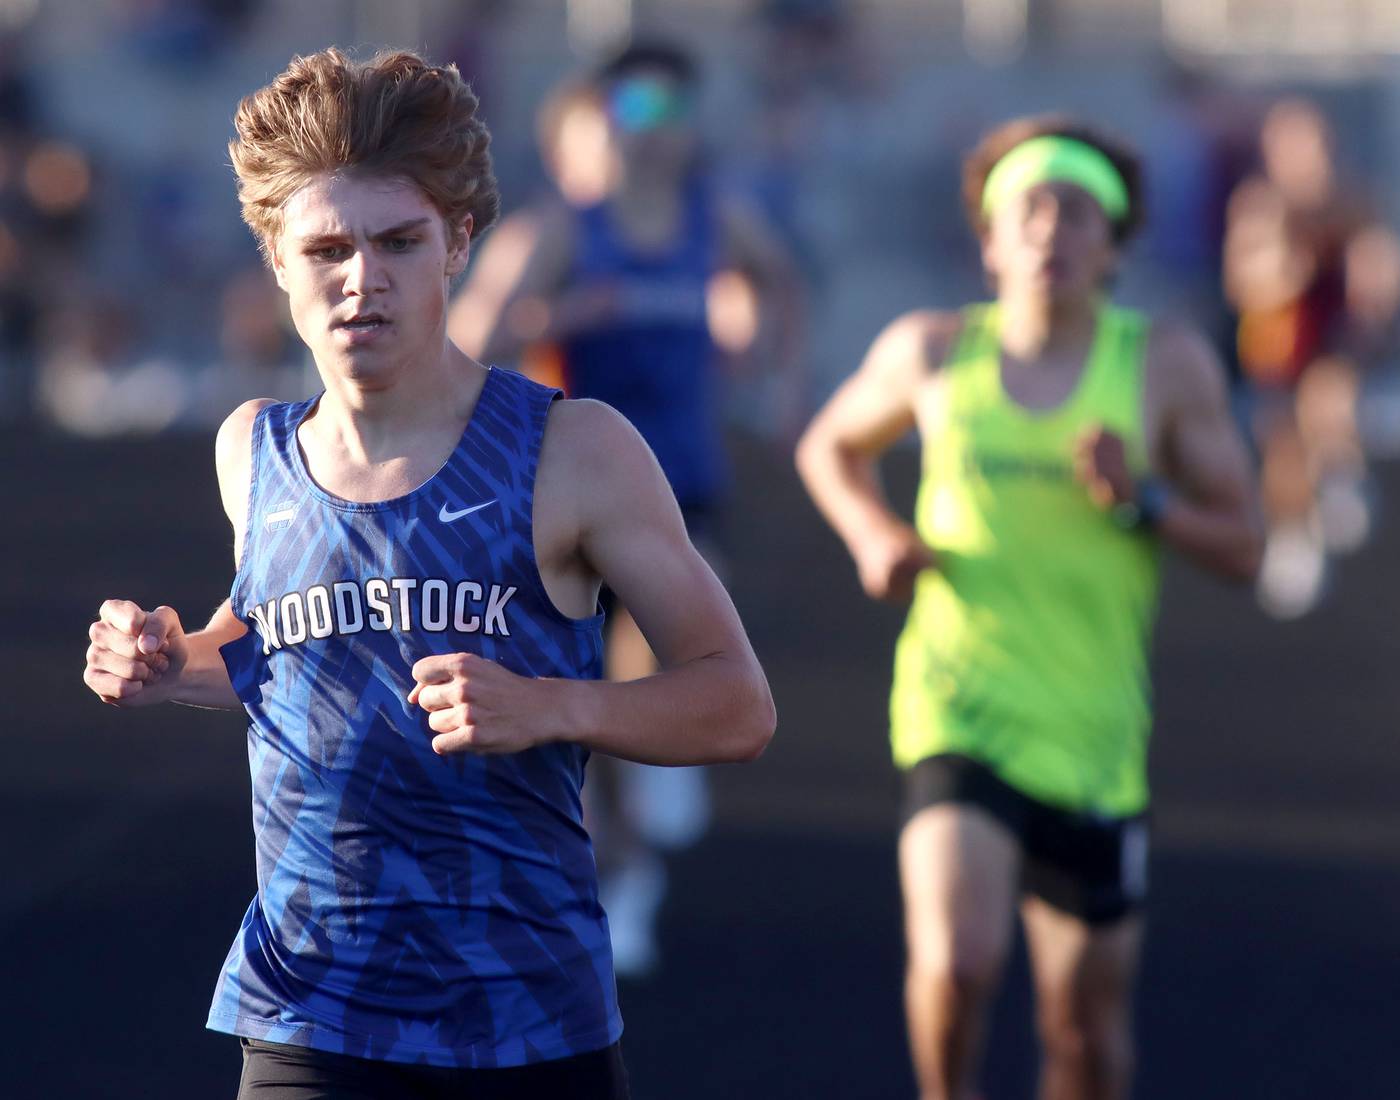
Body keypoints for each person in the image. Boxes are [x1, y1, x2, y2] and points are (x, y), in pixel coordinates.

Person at [82, 47, 774, 1100]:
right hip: (308, 1005)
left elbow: (738, 705)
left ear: (457, 241)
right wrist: (170, 661)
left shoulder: (573, 449)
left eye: (398, 242)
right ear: (275, 258)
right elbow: (281, 648)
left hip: (527, 1017)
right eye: (327, 249)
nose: (363, 279)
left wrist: (548, 703)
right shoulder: (252, 449)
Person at [795, 116, 1262, 1100]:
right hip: (958, 704)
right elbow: (829, 448)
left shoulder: (1164, 366)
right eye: (1031, 209)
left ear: (1116, 244)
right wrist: (875, 534)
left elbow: (1246, 544)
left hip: (1094, 735)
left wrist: (1145, 499)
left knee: (1084, 1036)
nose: (1053, 229)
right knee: (960, 960)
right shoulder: (930, 353)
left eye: (1079, 211)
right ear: (993, 241)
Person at [450, 39, 803, 977]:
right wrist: (559, 324)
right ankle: (625, 879)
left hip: (685, 480)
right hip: (573, 497)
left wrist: (774, 366)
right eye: (632, 112)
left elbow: (780, 283)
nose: (652, 133)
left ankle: (663, 763)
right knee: (595, 716)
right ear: (599, 123)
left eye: (670, 111)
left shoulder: (714, 221)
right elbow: (470, 342)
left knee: (686, 617)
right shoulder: (567, 231)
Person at [1223, 97, 1400, 618]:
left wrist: (1372, 298)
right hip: (1277, 347)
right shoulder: (1260, 205)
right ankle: (1292, 532)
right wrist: (1283, 268)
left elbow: (1376, 267)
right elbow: (1244, 282)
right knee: (1282, 440)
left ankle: (1340, 474)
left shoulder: (1354, 202)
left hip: (1332, 342)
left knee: (1331, 395)